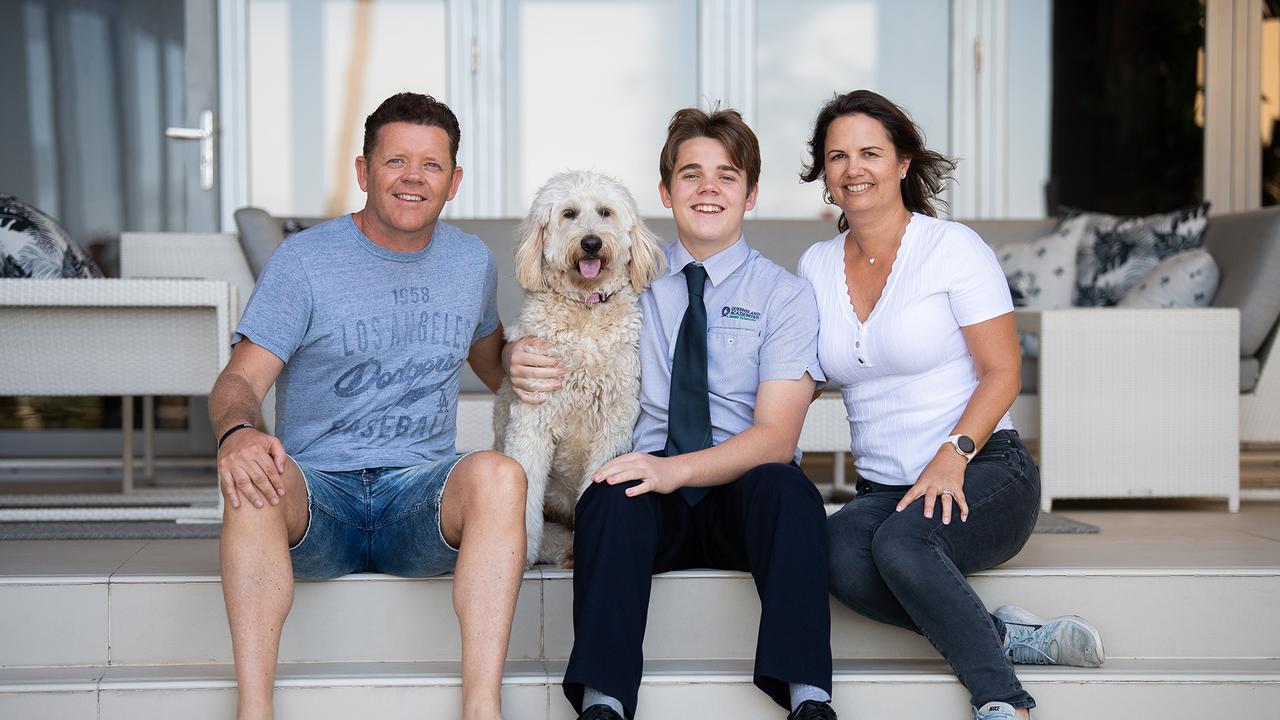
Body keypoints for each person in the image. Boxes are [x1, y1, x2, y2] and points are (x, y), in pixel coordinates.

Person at [505, 108, 837, 720]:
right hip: (652, 495)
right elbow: (556, 319)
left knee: (791, 491)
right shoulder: (627, 283)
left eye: (727, 175)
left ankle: (807, 695)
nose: (708, 188)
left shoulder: (784, 296)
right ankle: (605, 701)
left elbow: (775, 437)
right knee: (606, 493)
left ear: (751, 193)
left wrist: (676, 471)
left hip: (744, 493)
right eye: (691, 174)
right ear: (665, 192)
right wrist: (514, 352)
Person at [210, 92, 526, 720]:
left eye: (432, 165)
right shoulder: (304, 263)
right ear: (363, 171)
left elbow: (495, 365)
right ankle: (254, 709)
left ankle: (482, 707)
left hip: (419, 500)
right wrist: (239, 432)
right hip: (320, 497)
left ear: (454, 181)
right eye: (395, 161)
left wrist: (539, 358)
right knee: (254, 477)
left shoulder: (471, 263)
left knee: (500, 475)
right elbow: (237, 383)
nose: (414, 178)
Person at [796, 89, 1105, 720]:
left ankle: (1002, 698)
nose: (853, 168)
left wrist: (952, 454)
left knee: (902, 547)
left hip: (985, 467)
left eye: (869, 153)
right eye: (837, 156)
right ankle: (1003, 637)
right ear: (824, 174)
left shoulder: (951, 248)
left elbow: (1002, 371)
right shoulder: (816, 265)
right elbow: (797, 377)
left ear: (903, 163)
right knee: (831, 555)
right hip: (885, 488)